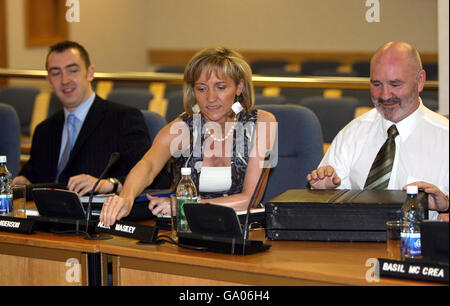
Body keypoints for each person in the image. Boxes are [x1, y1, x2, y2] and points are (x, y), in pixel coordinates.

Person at [100, 46, 277, 226]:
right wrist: (126, 198)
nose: (210, 98)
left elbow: (250, 200)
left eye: (221, 87)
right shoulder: (183, 127)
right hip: (187, 229)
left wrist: (185, 206)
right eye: (202, 89)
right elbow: (148, 165)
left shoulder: (262, 124)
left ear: (239, 87)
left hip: (245, 230)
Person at [306, 41, 449, 220]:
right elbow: (325, 210)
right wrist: (325, 192)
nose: (385, 95)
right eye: (376, 84)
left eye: (395, 85)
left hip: (420, 245)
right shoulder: (352, 133)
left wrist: (446, 206)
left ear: (419, 81)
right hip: (356, 243)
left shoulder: (445, 137)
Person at [13, 41, 170, 195]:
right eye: (56, 73)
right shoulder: (44, 129)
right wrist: (25, 182)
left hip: (98, 217)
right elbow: (32, 175)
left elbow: (157, 178)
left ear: (90, 73)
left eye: (72, 71)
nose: (64, 80)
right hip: (47, 215)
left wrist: (108, 184)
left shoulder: (123, 119)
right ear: (49, 81)